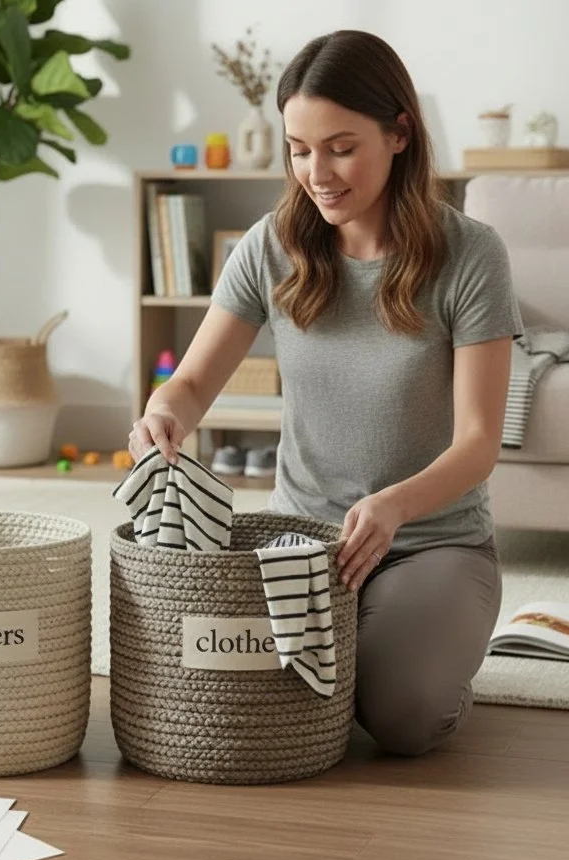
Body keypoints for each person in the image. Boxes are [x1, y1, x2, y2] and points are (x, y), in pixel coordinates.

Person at [127, 29, 522, 757]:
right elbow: (189, 384)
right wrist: (160, 418)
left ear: (400, 132)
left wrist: (392, 505)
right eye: (299, 149)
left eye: (341, 147)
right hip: (299, 543)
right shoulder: (271, 245)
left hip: (429, 545)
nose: (318, 172)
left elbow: (478, 444)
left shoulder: (471, 255)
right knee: (224, 692)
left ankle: (444, 640)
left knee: (401, 716)